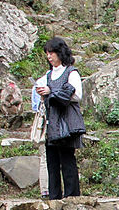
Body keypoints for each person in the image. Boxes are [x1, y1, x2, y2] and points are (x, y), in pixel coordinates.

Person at [34, 37, 84, 200]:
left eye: (52, 53)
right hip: (52, 123)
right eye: (47, 53)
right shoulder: (48, 75)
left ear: (60, 53)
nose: (49, 56)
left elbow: (77, 95)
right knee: (52, 162)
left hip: (66, 124)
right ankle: (54, 197)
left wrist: (52, 91)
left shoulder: (71, 72)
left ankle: (72, 196)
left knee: (67, 160)